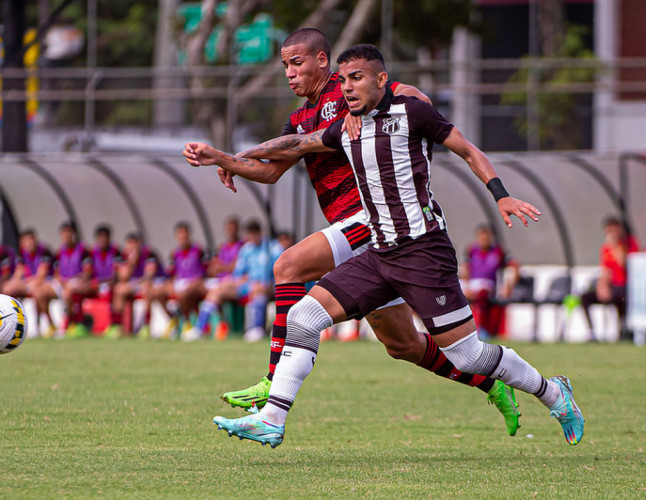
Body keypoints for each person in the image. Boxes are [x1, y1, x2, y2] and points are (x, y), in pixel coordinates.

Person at [185, 44, 584, 448]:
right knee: (310, 319)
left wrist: (501, 194)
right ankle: (272, 417)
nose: (347, 88)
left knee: (468, 356)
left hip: (423, 252)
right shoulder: (342, 128)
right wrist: (226, 155)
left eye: (356, 78)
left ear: (380, 80)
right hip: (377, 252)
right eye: (344, 81)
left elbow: (467, 148)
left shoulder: (413, 110)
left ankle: (553, 392)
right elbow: (295, 146)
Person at [184, 220, 283, 342]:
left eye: (255, 234)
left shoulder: (272, 247)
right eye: (250, 234)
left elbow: (282, 268)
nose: (252, 237)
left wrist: (267, 280)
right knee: (217, 291)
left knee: (258, 288)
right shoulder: (246, 249)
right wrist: (232, 281)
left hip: (270, 286)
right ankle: (199, 329)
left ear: (260, 233)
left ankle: (256, 329)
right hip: (248, 285)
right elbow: (239, 273)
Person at [580, 217, 639, 342]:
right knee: (585, 297)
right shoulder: (606, 248)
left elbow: (625, 264)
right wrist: (602, 288)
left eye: (615, 229)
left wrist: (615, 247)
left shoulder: (629, 243)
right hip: (613, 286)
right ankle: (592, 332)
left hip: (627, 286)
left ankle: (623, 330)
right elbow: (605, 270)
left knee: (620, 297)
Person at [147, 222, 207, 339]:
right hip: (180, 283)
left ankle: (186, 323)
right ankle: (172, 318)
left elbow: (206, 272)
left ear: (189, 235)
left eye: (184, 234)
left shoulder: (198, 251)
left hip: (195, 284)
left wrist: (194, 282)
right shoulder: (174, 253)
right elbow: (170, 274)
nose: (182, 237)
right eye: (180, 235)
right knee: (156, 292)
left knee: (184, 293)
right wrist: (170, 285)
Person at [32, 221, 89, 338]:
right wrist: (59, 280)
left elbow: (87, 272)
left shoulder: (83, 250)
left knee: (68, 292)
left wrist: (73, 280)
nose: (66, 235)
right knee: (39, 292)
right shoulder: (59, 251)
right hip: (62, 282)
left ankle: (71, 324)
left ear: (74, 234)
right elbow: (56, 271)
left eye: (69, 232)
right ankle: (51, 325)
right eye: (64, 233)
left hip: (76, 282)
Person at [461, 224, 518, 338]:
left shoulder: (497, 251)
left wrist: (508, 286)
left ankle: (480, 328)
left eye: (487, 236)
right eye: (481, 236)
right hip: (471, 284)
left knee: (482, 294)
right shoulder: (472, 250)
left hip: (488, 285)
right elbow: (465, 269)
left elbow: (514, 266)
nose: (484, 239)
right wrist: (466, 286)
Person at [104, 231, 165, 339]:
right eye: (129, 243)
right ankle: (118, 326)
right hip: (133, 285)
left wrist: (136, 283)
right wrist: (131, 264)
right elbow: (123, 278)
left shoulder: (149, 254)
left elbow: (149, 276)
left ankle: (146, 326)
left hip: (148, 284)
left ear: (139, 244)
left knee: (147, 288)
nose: (132, 246)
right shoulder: (122, 256)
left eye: (134, 243)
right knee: (118, 289)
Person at [64, 224, 121, 338]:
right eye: (100, 237)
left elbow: (117, 274)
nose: (103, 239)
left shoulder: (116, 252)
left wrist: (100, 283)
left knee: (117, 292)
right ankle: (78, 324)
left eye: (105, 237)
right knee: (76, 291)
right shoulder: (90, 253)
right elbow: (87, 272)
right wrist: (84, 282)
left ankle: (115, 326)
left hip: (109, 285)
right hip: (95, 285)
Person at [2, 228, 55, 330]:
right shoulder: (22, 254)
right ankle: (8, 323)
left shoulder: (44, 251)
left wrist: (27, 282)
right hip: (30, 283)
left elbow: (41, 276)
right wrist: (13, 283)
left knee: (37, 291)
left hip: (47, 282)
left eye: (31, 239)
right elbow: (18, 274)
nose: (29, 243)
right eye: (26, 240)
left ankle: (46, 324)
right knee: (8, 288)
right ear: (22, 243)